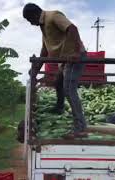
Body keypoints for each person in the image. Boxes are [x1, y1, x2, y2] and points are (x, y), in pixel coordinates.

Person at [23, 3, 88, 139]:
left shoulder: (53, 16)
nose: (30, 24)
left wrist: (75, 52)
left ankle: (80, 128)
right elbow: (45, 50)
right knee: (58, 82)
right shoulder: (44, 27)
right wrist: (36, 69)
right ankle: (60, 107)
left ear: (34, 15)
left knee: (69, 89)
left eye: (29, 20)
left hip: (75, 57)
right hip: (65, 60)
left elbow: (72, 29)